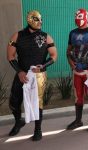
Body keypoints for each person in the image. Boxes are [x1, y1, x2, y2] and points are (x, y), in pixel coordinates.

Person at [7, 10, 57, 141]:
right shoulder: (17, 36)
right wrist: (19, 71)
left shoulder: (46, 37)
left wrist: (44, 66)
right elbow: (10, 56)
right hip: (21, 73)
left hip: (38, 75)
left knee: (38, 103)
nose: (40, 22)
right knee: (13, 102)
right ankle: (19, 121)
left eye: (40, 19)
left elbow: (54, 56)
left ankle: (38, 129)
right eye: (37, 19)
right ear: (30, 20)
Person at [66, 8, 88, 132]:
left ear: (85, 17)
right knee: (78, 97)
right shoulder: (72, 33)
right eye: (76, 17)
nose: (78, 20)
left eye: (80, 17)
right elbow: (68, 51)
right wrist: (71, 62)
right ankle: (78, 120)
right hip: (77, 72)